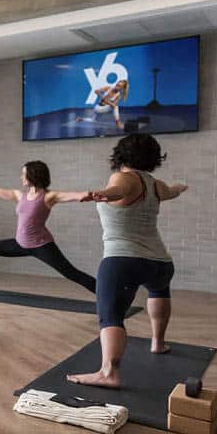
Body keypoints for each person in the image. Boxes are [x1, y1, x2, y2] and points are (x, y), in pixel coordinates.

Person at [68, 133, 188, 388]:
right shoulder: (155, 184)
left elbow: (119, 191)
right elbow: (172, 192)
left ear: (121, 153)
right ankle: (158, 343)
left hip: (123, 261)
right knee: (158, 291)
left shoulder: (123, 177)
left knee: (110, 316)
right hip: (160, 262)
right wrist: (180, 187)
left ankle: (108, 373)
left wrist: (105, 193)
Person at [0, 161, 97, 294]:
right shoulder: (19, 195)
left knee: (71, 273)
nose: (21, 177)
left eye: (23, 174)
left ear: (33, 175)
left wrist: (88, 195)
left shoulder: (48, 196)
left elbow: (73, 195)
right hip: (20, 243)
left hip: (41, 245)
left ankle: (109, 294)